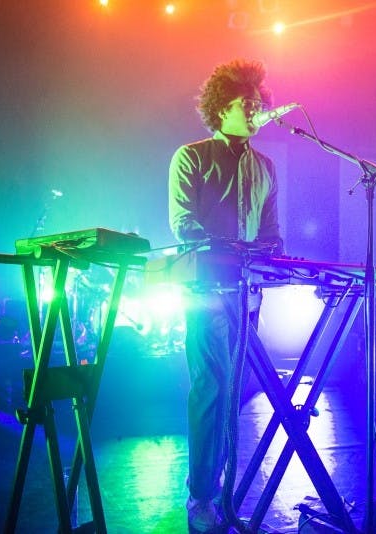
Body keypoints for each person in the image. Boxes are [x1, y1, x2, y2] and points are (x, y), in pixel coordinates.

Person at [168, 58, 283, 533]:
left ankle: (221, 492)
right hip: (205, 289)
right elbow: (183, 225)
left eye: (259, 103)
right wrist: (229, 251)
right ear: (221, 108)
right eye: (246, 103)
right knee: (210, 390)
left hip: (248, 293)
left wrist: (276, 259)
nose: (255, 110)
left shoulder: (267, 166)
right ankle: (200, 497)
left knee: (236, 392)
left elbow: (274, 234)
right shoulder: (190, 156)